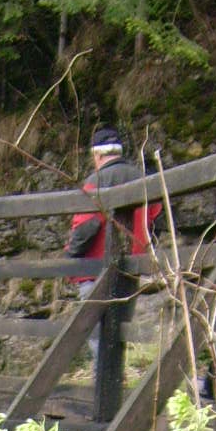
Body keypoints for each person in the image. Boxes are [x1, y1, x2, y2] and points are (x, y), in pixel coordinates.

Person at [64, 126, 159, 369]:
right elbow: (154, 218)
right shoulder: (144, 180)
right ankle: (115, 386)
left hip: (95, 271)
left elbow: (86, 227)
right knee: (117, 338)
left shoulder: (96, 182)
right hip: (131, 270)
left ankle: (105, 390)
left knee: (98, 339)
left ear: (97, 155)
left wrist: (70, 257)